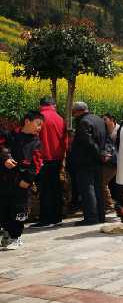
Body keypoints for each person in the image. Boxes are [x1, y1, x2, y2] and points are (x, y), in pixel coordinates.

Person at [0, 111, 43, 249]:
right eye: (38, 124)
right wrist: (5, 158)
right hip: (6, 179)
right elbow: (2, 147)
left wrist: (28, 180)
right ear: (27, 122)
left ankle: (15, 237)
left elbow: (37, 163)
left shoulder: (36, 142)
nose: (39, 128)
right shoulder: (11, 135)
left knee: (19, 208)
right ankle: (6, 234)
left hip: (22, 182)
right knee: (4, 207)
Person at [68, 102, 107, 226]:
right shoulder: (99, 120)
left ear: (78, 111)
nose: (73, 116)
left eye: (73, 113)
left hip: (86, 161)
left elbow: (87, 142)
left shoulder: (83, 122)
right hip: (97, 161)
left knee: (87, 189)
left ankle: (91, 217)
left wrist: (97, 153)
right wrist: (101, 154)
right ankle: (100, 216)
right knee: (98, 188)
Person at [32, 97, 66, 228]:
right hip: (57, 158)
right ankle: (57, 217)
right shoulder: (60, 118)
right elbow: (65, 140)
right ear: (53, 105)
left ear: (41, 105)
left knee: (45, 190)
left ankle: (45, 219)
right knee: (56, 188)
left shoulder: (39, 118)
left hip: (43, 159)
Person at [101, 114, 120, 210]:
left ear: (112, 119)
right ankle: (109, 203)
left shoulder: (119, 130)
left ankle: (109, 204)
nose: (103, 121)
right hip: (111, 161)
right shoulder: (105, 131)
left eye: (105, 119)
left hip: (114, 161)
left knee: (102, 182)